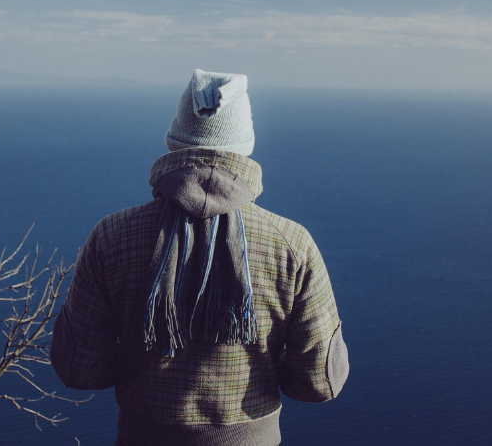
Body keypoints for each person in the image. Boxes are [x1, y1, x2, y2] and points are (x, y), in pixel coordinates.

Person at [51, 69, 348, 446]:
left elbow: (80, 368)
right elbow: (319, 382)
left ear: (175, 140)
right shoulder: (292, 244)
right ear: (245, 145)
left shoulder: (112, 235)